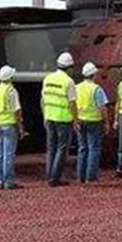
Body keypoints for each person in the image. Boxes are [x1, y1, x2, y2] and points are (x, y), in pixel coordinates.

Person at [41, 51, 78, 186]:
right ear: (69, 68)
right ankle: (55, 177)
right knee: (62, 149)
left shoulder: (48, 79)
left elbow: (43, 100)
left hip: (49, 117)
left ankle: (49, 175)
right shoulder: (69, 82)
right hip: (63, 119)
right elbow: (72, 103)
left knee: (51, 147)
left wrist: (45, 116)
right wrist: (76, 119)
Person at [0, 64, 26, 190]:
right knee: (9, 155)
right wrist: (20, 127)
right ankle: (9, 182)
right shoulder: (11, 91)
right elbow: (17, 110)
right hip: (9, 125)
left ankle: (0, 180)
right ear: (10, 77)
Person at [75, 61, 110, 183]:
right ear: (94, 75)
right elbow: (102, 107)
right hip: (94, 121)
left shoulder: (77, 88)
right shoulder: (96, 89)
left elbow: (73, 104)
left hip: (80, 120)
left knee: (82, 148)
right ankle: (91, 176)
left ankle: (80, 176)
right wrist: (106, 122)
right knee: (94, 149)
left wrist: (75, 120)